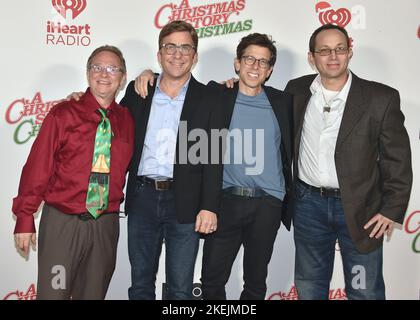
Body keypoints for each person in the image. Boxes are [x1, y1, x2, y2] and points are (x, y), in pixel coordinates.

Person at [136, 33, 293, 300]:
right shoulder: (216, 95)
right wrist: (147, 72)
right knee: (211, 281)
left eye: (263, 62)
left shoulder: (283, 102)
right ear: (237, 63)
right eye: (249, 59)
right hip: (225, 200)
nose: (255, 66)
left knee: (256, 282)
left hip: (268, 203)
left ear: (270, 70)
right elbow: (175, 78)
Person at [284, 24, 412, 299]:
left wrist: (392, 209)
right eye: (325, 50)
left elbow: (397, 159)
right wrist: (228, 87)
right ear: (312, 57)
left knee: (364, 289)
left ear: (350, 53)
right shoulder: (295, 91)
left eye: (340, 49)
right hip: (307, 206)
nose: (333, 56)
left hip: (361, 209)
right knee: (309, 285)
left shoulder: (381, 98)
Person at [12, 45, 134, 299]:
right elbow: (38, 167)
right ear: (88, 73)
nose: (104, 74)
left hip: (105, 226)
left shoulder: (126, 119)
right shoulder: (63, 114)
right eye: (97, 67)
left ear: (122, 78)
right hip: (63, 225)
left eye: (113, 69)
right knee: (53, 294)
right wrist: (25, 217)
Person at [121, 20, 219, 300]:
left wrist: (209, 206)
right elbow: (110, 123)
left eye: (185, 47)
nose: (177, 54)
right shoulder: (138, 91)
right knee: (140, 285)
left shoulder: (209, 97)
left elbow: (213, 157)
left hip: (185, 202)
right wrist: (79, 98)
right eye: (170, 47)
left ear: (195, 55)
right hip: (142, 197)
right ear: (159, 54)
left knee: (180, 289)